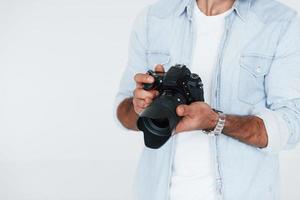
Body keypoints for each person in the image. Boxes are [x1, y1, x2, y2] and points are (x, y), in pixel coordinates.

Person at [114, 0, 300, 199]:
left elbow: (292, 124)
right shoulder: (153, 19)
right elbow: (122, 112)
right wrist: (142, 105)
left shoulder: (280, 22)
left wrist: (216, 121)